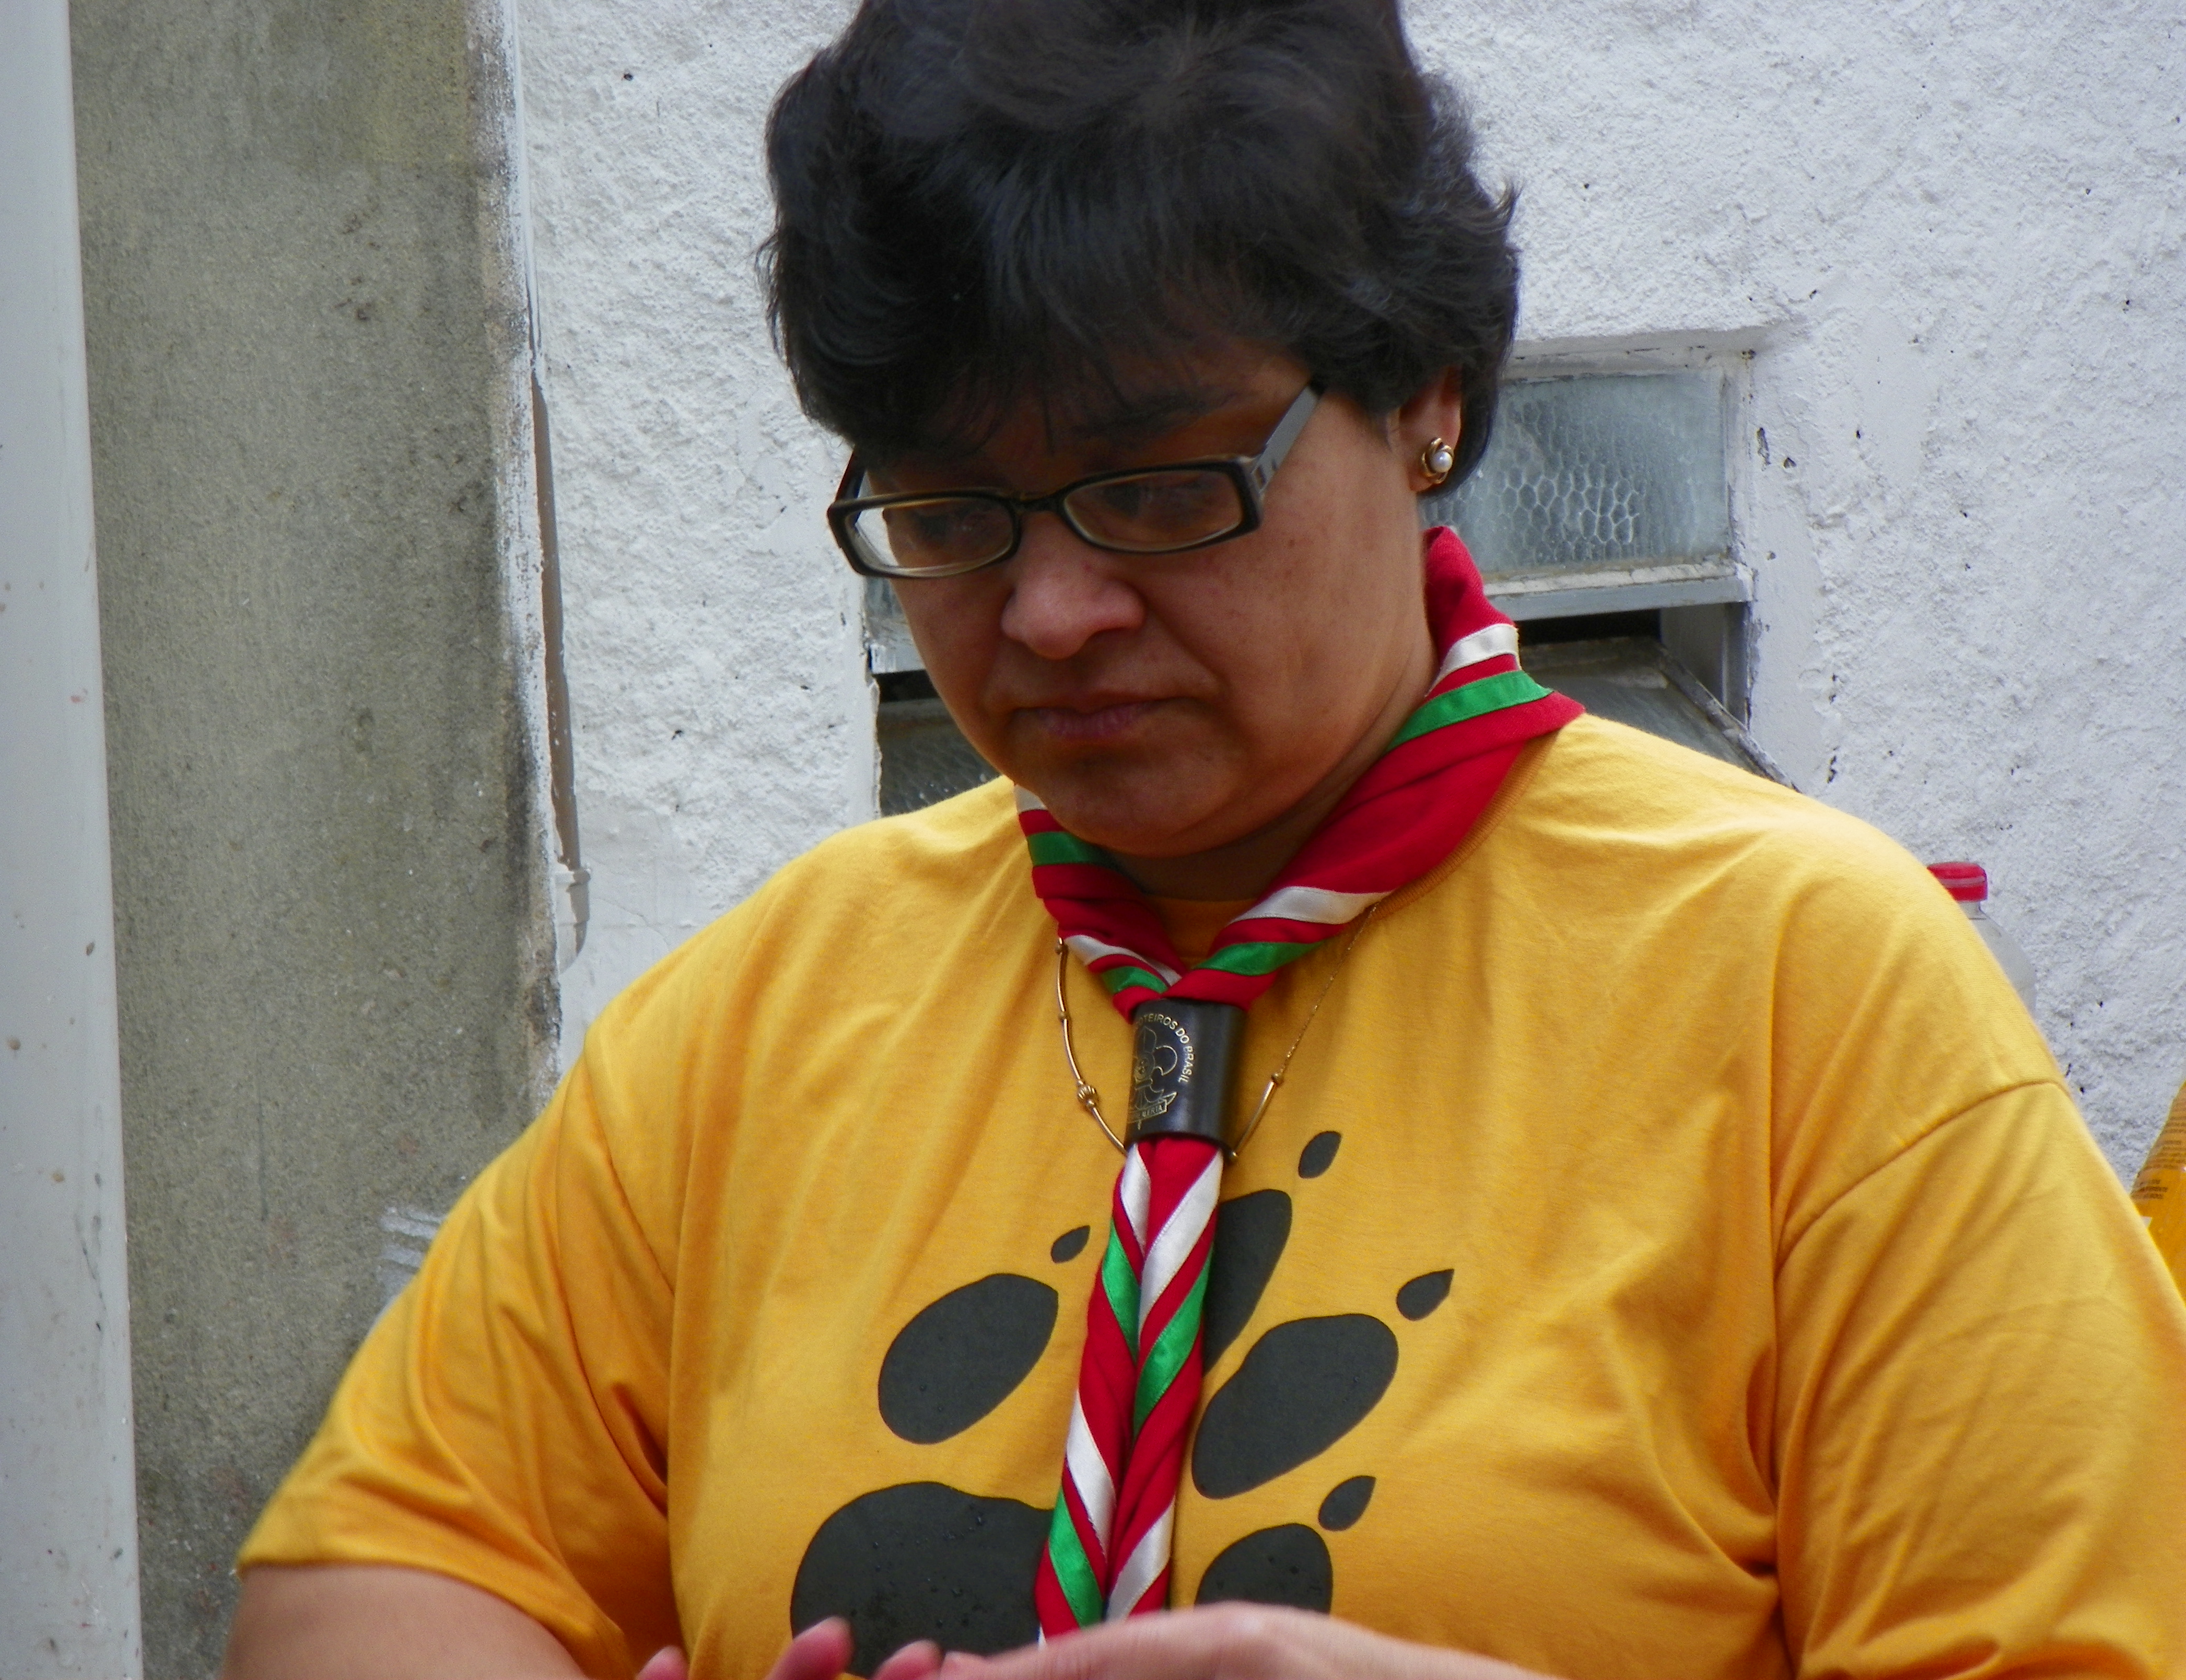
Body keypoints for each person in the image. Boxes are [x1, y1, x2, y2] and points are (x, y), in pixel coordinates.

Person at [222, 2, 2186, 1676]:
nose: (1054, 610)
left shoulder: (1809, 995)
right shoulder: (768, 1016)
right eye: (950, 515)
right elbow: (374, 1570)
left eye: (1162, 489)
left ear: (1426, 398)